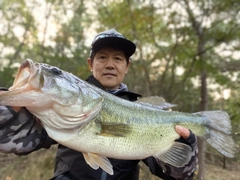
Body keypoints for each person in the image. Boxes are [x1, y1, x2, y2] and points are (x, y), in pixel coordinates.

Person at [0, 29, 198, 180]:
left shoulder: (142, 110)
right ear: (90, 64)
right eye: (102, 57)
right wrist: (9, 107)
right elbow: (9, 140)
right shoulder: (54, 109)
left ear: (127, 66)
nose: (110, 64)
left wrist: (186, 148)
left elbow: (175, 175)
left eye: (118, 58)